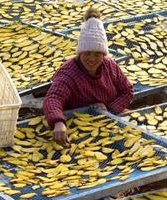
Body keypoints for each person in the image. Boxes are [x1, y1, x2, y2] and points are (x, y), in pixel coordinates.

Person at [43, 8, 134, 145]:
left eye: (97, 54)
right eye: (87, 53)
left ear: (103, 55)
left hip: (110, 117)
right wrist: (58, 122)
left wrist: (109, 109)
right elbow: (54, 98)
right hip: (78, 124)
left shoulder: (109, 66)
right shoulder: (69, 72)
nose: (92, 59)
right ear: (80, 53)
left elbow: (127, 90)